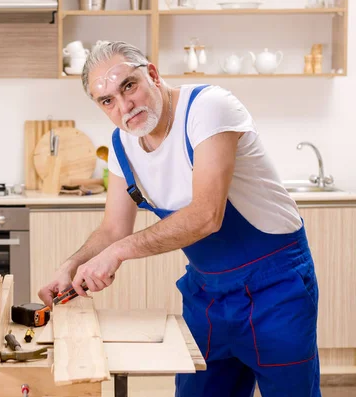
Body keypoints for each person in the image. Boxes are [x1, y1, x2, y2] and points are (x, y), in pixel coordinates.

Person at [37, 41, 321, 397]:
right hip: (207, 297)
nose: (124, 106)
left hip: (275, 290)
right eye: (107, 100)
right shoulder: (123, 145)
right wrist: (71, 265)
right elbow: (113, 228)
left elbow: (206, 216)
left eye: (129, 86)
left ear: (152, 74)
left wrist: (118, 253)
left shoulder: (208, 109)